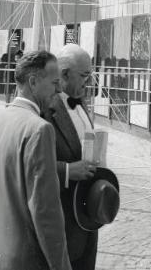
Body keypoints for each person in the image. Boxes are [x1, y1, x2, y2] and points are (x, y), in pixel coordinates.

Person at [0, 50, 72, 270]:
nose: (59, 89)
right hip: (25, 261)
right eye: (54, 82)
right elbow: (45, 212)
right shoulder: (40, 130)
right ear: (33, 82)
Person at [43, 44, 98, 270]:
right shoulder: (44, 109)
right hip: (64, 221)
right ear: (64, 74)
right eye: (84, 75)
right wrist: (68, 171)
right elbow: (32, 165)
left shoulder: (81, 103)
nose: (90, 82)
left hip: (88, 217)